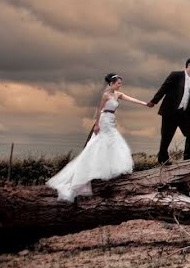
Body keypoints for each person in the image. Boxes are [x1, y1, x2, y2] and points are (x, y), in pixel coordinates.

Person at [47, 73, 147, 202]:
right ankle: (94, 171)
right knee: (105, 143)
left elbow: (132, 99)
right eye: (118, 83)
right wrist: (96, 125)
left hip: (111, 119)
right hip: (104, 120)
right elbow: (99, 109)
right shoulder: (105, 95)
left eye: (120, 84)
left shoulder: (117, 95)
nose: (120, 85)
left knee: (114, 143)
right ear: (111, 83)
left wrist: (145, 103)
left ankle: (111, 169)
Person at [148, 58, 190, 165]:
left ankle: (189, 157)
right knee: (166, 136)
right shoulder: (176, 75)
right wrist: (154, 101)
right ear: (189, 65)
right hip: (171, 112)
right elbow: (163, 88)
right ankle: (162, 159)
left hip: (184, 113)